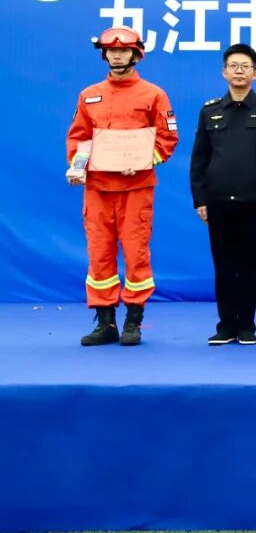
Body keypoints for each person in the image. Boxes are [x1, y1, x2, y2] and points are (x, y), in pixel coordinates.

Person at [66, 25, 178, 346]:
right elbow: (79, 137)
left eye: (123, 50)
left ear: (135, 54)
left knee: (136, 252)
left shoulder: (154, 95)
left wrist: (143, 160)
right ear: (105, 55)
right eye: (112, 51)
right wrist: (77, 166)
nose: (117, 55)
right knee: (99, 253)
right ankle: (105, 323)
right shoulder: (89, 95)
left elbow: (168, 138)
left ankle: (133, 321)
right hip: (98, 189)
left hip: (135, 189)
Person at [190, 43, 256, 346]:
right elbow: (199, 158)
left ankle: (246, 325)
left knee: (249, 265)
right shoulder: (210, 110)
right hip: (218, 199)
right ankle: (225, 326)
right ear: (224, 72)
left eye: (245, 66)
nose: (239, 71)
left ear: (255, 73)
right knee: (223, 266)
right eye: (233, 66)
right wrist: (200, 199)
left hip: (255, 199)